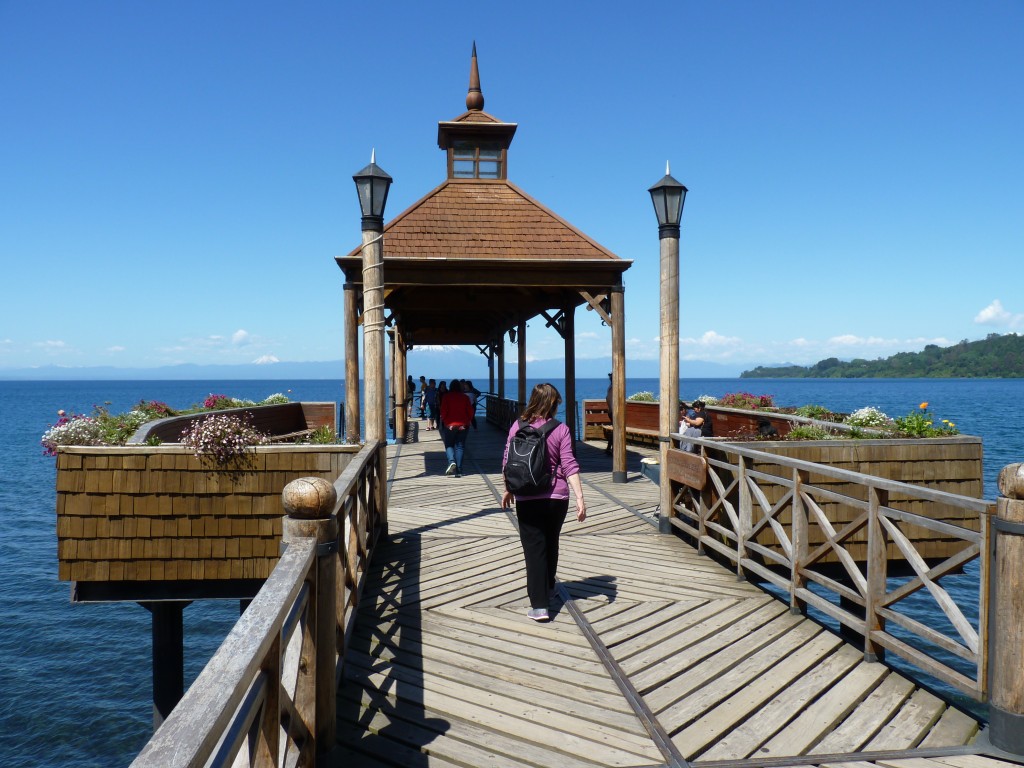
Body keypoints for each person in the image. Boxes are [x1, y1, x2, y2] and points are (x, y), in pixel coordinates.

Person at [501, 383, 587, 622]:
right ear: (552, 404)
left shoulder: (517, 426)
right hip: (556, 497)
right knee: (551, 542)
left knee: (534, 548)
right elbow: (569, 464)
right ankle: (548, 588)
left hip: (527, 496)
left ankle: (539, 606)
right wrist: (580, 497)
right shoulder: (561, 429)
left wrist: (508, 489)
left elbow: (508, 460)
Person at [440, 379, 474, 476]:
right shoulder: (465, 397)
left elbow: (443, 411)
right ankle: (459, 470)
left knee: (449, 445)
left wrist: (445, 422)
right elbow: (470, 412)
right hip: (463, 425)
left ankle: (451, 461)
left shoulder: (446, 397)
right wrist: (467, 422)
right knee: (460, 447)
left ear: (450, 387)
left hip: (450, 425)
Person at [604, 372, 613, 456]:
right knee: (616, 430)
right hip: (614, 412)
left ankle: (609, 447)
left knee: (615, 430)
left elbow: (607, 398)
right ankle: (611, 448)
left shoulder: (610, 387)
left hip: (610, 412)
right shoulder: (615, 388)